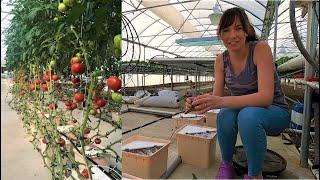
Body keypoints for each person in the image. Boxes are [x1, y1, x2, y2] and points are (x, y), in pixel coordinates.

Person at [185, 7, 290, 179]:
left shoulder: (260, 49)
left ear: (247, 30)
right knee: (225, 115)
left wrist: (220, 101)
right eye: (226, 30)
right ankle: (227, 165)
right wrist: (198, 101)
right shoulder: (221, 60)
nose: (232, 35)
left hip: (275, 111)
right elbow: (216, 97)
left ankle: (255, 175)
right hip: (246, 112)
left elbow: (265, 98)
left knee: (247, 116)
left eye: (238, 28)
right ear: (220, 35)